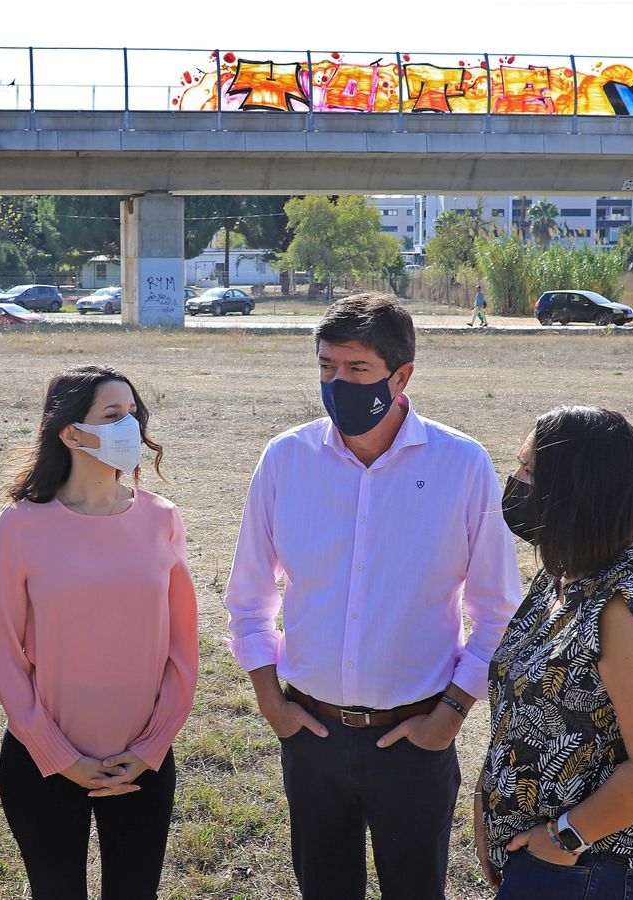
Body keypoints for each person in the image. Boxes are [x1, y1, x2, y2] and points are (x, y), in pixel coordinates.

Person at [225, 293, 523, 899]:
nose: (338, 385)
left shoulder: (462, 465)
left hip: (415, 736)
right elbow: (249, 601)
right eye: (326, 368)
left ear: (402, 375)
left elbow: (496, 611)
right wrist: (274, 707)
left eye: (357, 370)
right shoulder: (286, 460)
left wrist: (450, 717)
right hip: (312, 735)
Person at [0, 365, 198, 899]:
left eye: (133, 413)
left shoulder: (162, 519)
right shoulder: (20, 525)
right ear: (70, 432)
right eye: (112, 415)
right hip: (43, 765)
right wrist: (59, 756)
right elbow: (7, 655)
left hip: (141, 763)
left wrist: (152, 746)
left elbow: (182, 652)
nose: (129, 426)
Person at [477, 406, 633, 900]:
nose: (514, 481)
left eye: (530, 470)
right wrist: (490, 807)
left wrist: (562, 839)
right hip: (546, 861)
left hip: (590, 869)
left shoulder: (626, 604)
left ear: (574, 491)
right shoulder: (566, 573)